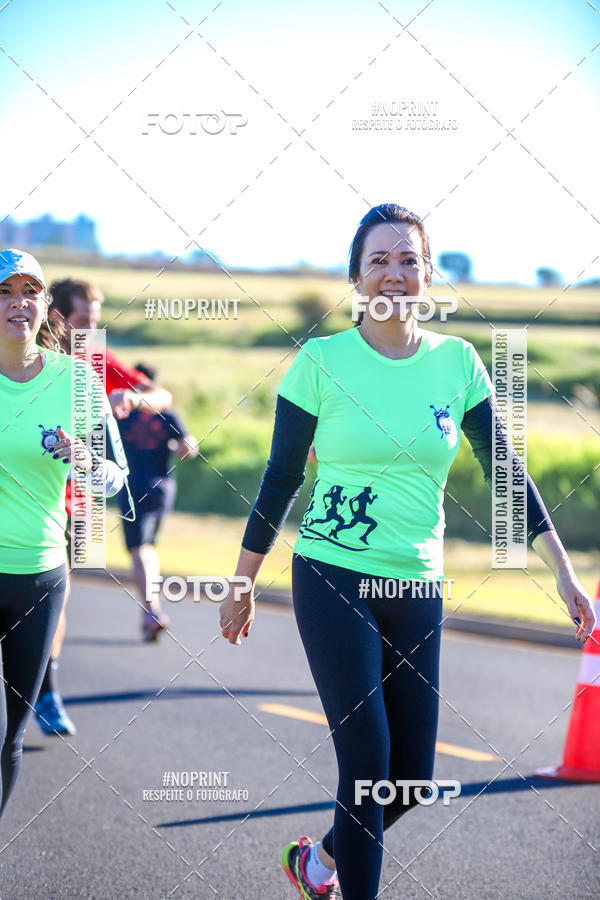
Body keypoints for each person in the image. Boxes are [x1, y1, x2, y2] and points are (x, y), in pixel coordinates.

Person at [218, 204, 597, 900]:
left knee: (411, 780)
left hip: (418, 584)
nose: (394, 273)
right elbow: (280, 478)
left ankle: (317, 862)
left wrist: (564, 572)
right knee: (367, 763)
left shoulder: (458, 363)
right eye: (379, 261)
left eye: (408, 260)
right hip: (333, 573)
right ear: (357, 277)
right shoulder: (321, 362)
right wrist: (243, 582)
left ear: (428, 273)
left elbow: (505, 472)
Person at [0, 249, 124, 817]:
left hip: (39, 579)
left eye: (29, 291)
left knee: (11, 737)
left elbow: (115, 480)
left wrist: (87, 462)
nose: (16, 303)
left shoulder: (76, 380)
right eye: (3, 292)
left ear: (45, 304)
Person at [33, 278, 173, 735]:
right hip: (21, 497)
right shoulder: (26, 359)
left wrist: (133, 397)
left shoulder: (95, 359)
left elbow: (162, 396)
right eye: (82, 321)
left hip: (75, 504)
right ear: (56, 317)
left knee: (54, 597)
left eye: (95, 322)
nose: (91, 331)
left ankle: (47, 693)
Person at [116, 363, 198, 641]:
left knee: (139, 549)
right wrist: (175, 448)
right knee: (148, 547)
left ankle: (153, 611)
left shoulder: (121, 414)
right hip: (162, 489)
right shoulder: (166, 413)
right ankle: (150, 612)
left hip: (133, 488)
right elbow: (190, 447)